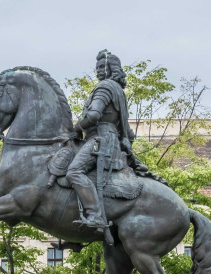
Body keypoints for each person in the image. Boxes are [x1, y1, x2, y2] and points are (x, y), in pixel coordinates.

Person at [61, 49, 148, 232]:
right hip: (107, 140)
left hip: (101, 141)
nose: (99, 70)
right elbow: (129, 133)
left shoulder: (105, 87)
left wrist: (76, 129)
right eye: (97, 67)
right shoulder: (118, 91)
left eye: (102, 67)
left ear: (111, 68)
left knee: (74, 172)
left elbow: (93, 115)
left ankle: (95, 215)